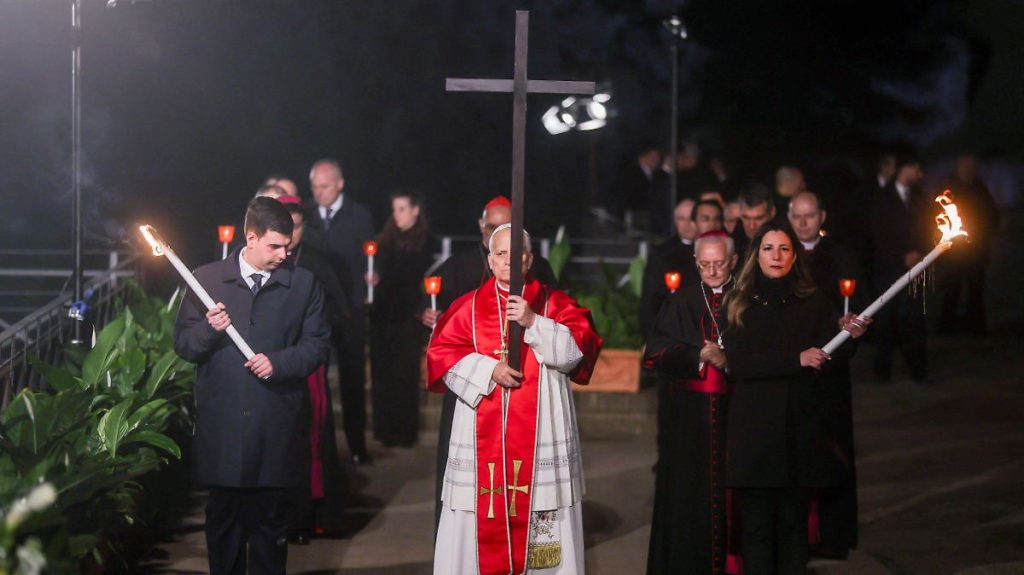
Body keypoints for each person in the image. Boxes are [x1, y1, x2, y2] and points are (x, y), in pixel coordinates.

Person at [427, 224, 602, 574]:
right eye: (501, 253)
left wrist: (534, 321)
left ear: (530, 259)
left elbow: (577, 352)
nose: (508, 261)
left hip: (541, 439)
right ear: (490, 260)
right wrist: (487, 370)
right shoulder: (467, 307)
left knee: (542, 509)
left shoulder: (555, 302)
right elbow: (440, 356)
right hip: (481, 444)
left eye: (516, 253)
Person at [173, 197, 331, 575]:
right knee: (223, 525)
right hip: (223, 429)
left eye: (287, 247)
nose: (283, 255)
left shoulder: (303, 284)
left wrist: (278, 363)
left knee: (270, 529)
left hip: (276, 425)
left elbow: (316, 346)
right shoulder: (207, 279)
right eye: (275, 246)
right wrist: (210, 330)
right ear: (250, 237)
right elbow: (184, 346)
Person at [722, 221, 869, 575]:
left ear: (794, 257)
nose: (776, 255)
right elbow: (740, 363)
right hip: (755, 432)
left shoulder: (813, 299)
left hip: (799, 431)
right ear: (756, 256)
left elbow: (830, 358)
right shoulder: (738, 302)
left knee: (793, 529)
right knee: (756, 529)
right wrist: (795, 359)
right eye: (769, 248)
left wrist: (850, 336)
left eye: (784, 248)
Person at [421, 195, 559, 531]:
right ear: (482, 227)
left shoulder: (536, 267)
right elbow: (437, 317)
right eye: (494, 226)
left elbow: (558, 316)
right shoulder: (458, 265)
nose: (501, 232)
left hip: (521, 386)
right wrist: (431, 315)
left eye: (508, 225)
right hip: (473, 388)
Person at [644, 231, 740, 575]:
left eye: (718, 264)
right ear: (695, 262)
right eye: (704, 265)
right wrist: (697, 355)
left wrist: (728, 358)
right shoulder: (682, 299)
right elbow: (654, 353)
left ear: (732, 261)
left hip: (737, 415)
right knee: (689, 500)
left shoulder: (747, 299)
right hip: (689, 421)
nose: (712, 271)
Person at [787, 190, 863, 557]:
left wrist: (849, 326)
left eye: (810, 215)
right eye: (797, 216)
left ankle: (832, 535)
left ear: (822, 216)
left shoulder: (840, 254)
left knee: (831, 448)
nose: (803, 223)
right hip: (793, 368)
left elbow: (856, 305)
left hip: (830, 371)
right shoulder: (781, 254)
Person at [280, 197, 348, 543]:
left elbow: (339, 311)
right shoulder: (262, 264)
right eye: (284, 226)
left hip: (307, 365)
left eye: (297, 226)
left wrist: (311, 327)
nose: (290, 235)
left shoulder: (317, 265)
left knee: (311, 438)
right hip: (271, 363)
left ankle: (311, 516)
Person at [301, 158, 377, 464]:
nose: (318, 192)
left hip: (349, 311)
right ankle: (314, 450)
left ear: (340, 184)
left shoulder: (360, 215)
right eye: (315, 187)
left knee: (353, 379)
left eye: (325, 186)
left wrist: (375, 274)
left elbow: (372, 256)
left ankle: (357, 446)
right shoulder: (303, 215)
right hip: (312, 310)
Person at [369, 190, 436, 447]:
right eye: (394, 209)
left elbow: (412, 273)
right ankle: (384, 430)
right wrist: (373, 276)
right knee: (383, 372)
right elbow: (378, 268)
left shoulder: (425, 240)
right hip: (383, 313)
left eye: (402, 209)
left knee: (405, 374)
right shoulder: (386, 238)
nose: (396, 215)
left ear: (415, 210)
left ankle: (405, 431)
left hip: (407, 314)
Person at [869, 155, 932, 383]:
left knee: (916, 319)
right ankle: (882, 371)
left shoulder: (919, 197)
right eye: (918, 168)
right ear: (906, 168)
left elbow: (929, 227)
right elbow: (878, 234)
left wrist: (920, 252)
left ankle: (918, 370)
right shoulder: (882, 197)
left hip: (916, 270)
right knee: (885, 320)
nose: (920, 174)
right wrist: (900, 256)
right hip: (888, 270)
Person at [937, 153, 999, 335]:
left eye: (971, 167)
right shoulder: (950, 189)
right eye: (964, 166)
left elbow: (991, 215)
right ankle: (946, 329)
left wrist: (984, 236)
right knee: (952, 289)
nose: (967, 170)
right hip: (955, 252)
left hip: (977, 251)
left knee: (975, 290)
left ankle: (976, 329)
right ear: (958, 167)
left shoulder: (980, 188)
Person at [639, 198, 699, 339]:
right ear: (675, 221)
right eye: (681, 218)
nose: (687, 224)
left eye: (692, 218)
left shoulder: (712, 252)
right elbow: (649, 300)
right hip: (668, 331)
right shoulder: (661, 253)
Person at [731, 183, 776, 264]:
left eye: (759, 218)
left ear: (772, 212)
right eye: (746, 217)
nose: (751, 226)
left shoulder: (785, 245)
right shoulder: (732, 243)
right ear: (739, 212)